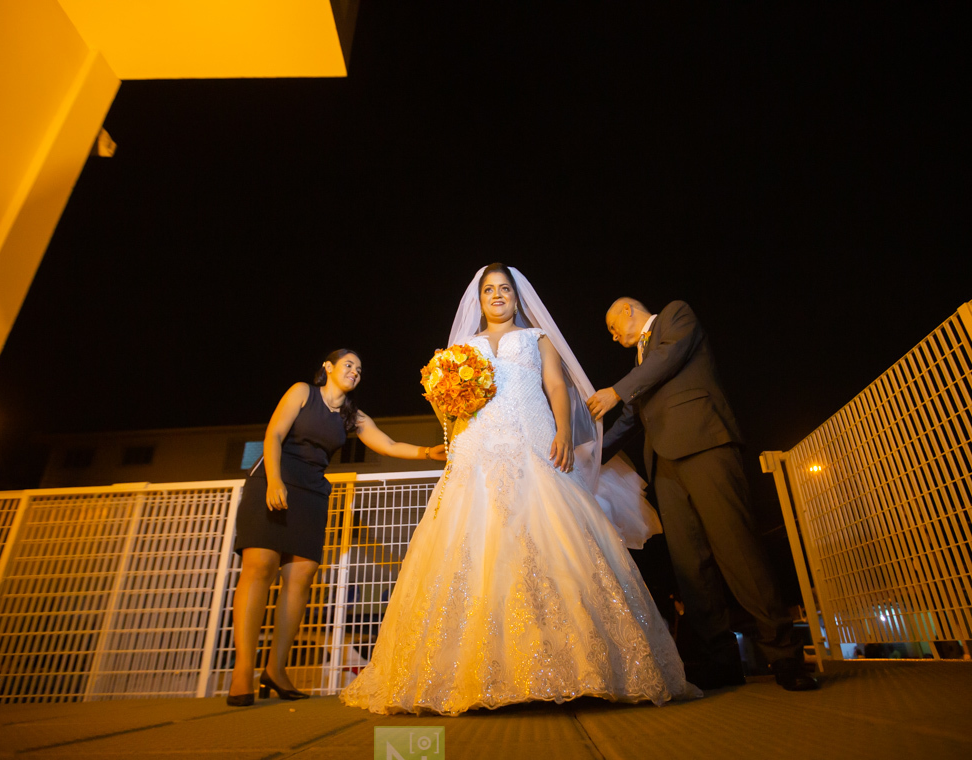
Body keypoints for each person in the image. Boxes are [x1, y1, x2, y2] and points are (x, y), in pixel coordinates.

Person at [339, 265, 698, 715]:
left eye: (504, 289)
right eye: (489, 290)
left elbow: (555, 386)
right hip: (479, 451)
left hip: (533, 442)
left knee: (555, 543)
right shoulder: (460, 349)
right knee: (476, 548)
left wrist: (564, 431)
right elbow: (446, 403)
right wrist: (451, 418)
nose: (497, 296)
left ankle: (575, 668)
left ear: (516, 297)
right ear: (479, 298)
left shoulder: (536, 339)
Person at [586, 298, 818, 691]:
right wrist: (586, 457)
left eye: (612, 326)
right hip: (665, 466)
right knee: (690, 567)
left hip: (705, 447)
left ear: (629, 310)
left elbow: (668, 358)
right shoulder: (641, 365)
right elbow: (629, 420)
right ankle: (721, 661)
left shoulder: (676, 316)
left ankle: (784, 656)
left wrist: (616, 390)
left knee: (738, 550)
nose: (613, 336)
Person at [226, 349, 446, 706]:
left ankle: (276, 669)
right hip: (273, 480)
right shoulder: (302, 393)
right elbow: (273, 435)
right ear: (327, 367)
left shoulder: (352, 416)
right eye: (348, 364)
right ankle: (242, 671)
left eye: (360, 369)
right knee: (260, 567)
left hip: (312, 492)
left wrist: (426, 452)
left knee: (301, 576)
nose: (355, 371)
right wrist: (273, 481)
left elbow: (387, 444)